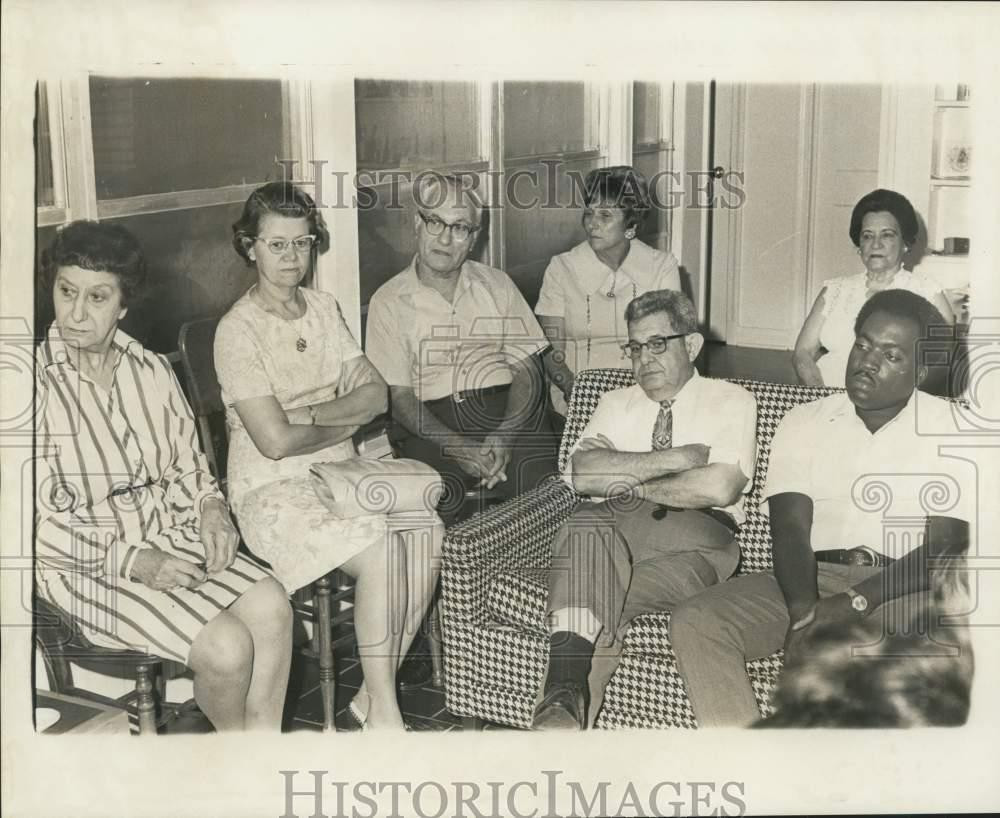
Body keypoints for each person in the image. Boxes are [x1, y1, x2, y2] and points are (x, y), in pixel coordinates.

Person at [34, 221, 293, 732]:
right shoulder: (26, 386)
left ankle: (262, 757)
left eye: (97, 297)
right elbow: (31, 525)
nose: (77, 313)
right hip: (88, 565)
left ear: (124, 305)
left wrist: (210, 508)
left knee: (274, 609)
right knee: (226, 648)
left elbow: (186, 465)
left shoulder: (149, 369)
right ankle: (238, 767)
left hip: (167, 538)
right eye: (67, 293)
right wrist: (135, 560)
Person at [671, 289, 972, 727]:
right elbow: (790, 528)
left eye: (891, 355)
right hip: (808, 577)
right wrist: (803, 614)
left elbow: (943, 547)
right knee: (696, 620)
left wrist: (854, 602)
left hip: (900, 587)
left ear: (920, 370)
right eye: (863, 345)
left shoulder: (952, 428)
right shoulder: (804, 420)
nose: (867, 362)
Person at [214, 182, 443, 730]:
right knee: (388, 552)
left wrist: (312, 416)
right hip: (271, 491)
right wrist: (345, 415)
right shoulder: (236, 331)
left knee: (426, 531)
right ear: (250, 247)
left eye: (303, 243)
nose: (292, 258)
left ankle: (368, 692)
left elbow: (376, 396)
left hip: (341, 472)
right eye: (277, 245)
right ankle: (386, 714)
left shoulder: (324, 307)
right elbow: (272, 443)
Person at [531, 290, 757, 729]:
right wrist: (678, 458)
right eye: (635, 347)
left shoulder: (732, 399)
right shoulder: (614, 403)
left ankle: (558, 709)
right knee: (591, 560)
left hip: (696, 547)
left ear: (690, 345)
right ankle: (562, 714)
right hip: (611, 533)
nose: (643, 359)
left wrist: (624, 473)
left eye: (658, 344)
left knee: (586, 551)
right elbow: (581, 477)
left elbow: (718, 486)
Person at [366, 172, 559, 522]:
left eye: (459, 227)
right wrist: (459, 448)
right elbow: (401, 398)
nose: (445, 237)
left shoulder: (497, 285)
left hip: (506, 412)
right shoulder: (388, 302)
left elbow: (529, 371)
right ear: (416, 225)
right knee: (440, 509)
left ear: (473, 238)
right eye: (435, 222)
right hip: (432, 424)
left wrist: (503, 435)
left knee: (544, 495)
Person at [535, 165, 681, 420]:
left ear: (631, 224)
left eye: (605, 215)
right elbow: (550, 352)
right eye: (589, 212)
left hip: (644, 392)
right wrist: (575, 390)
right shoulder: (561, 268)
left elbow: (668, 346)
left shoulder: (661, 266)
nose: (592, 223)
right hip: (575, 394)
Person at [793, 188, 954, 388]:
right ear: (859, 244)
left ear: (905, 243)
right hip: (826, 399)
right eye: (868, 236)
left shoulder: (928, 292)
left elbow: (940, 363)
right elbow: (803, 352)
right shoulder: (834, 290)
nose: (875, 244)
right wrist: (818, 395)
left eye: (887, 235)